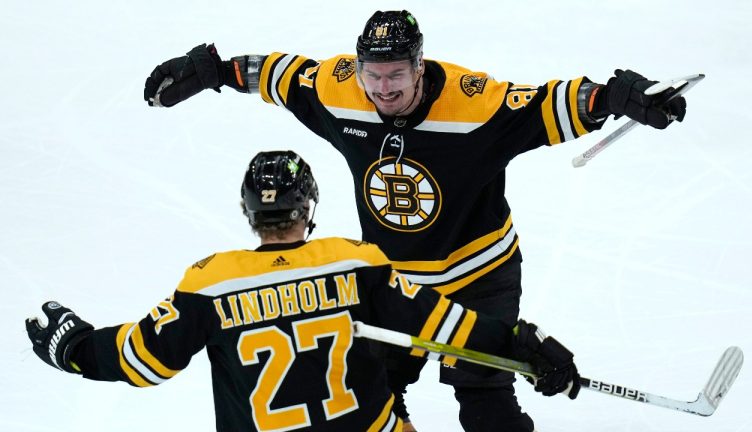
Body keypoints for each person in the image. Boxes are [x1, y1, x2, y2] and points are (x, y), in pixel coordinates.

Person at [142, 10, 686, 432]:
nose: (382, 89)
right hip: (393, 285)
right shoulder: (340, 91)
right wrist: (212, 69)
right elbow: (280, 74)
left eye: (396, 75)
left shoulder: (475, 104)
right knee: (372, 398)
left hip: (480, 274)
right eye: (372, 76)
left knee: (484, 396)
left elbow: (548, 105)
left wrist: (616, 96)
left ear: (419, 66)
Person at [25, 150, 579, 432]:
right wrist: (522, 347)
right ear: (308, 208)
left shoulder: (211, 281)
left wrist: (74, 350)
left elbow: (143, 359)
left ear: (248, 211)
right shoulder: (353, 261)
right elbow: (445, 327)